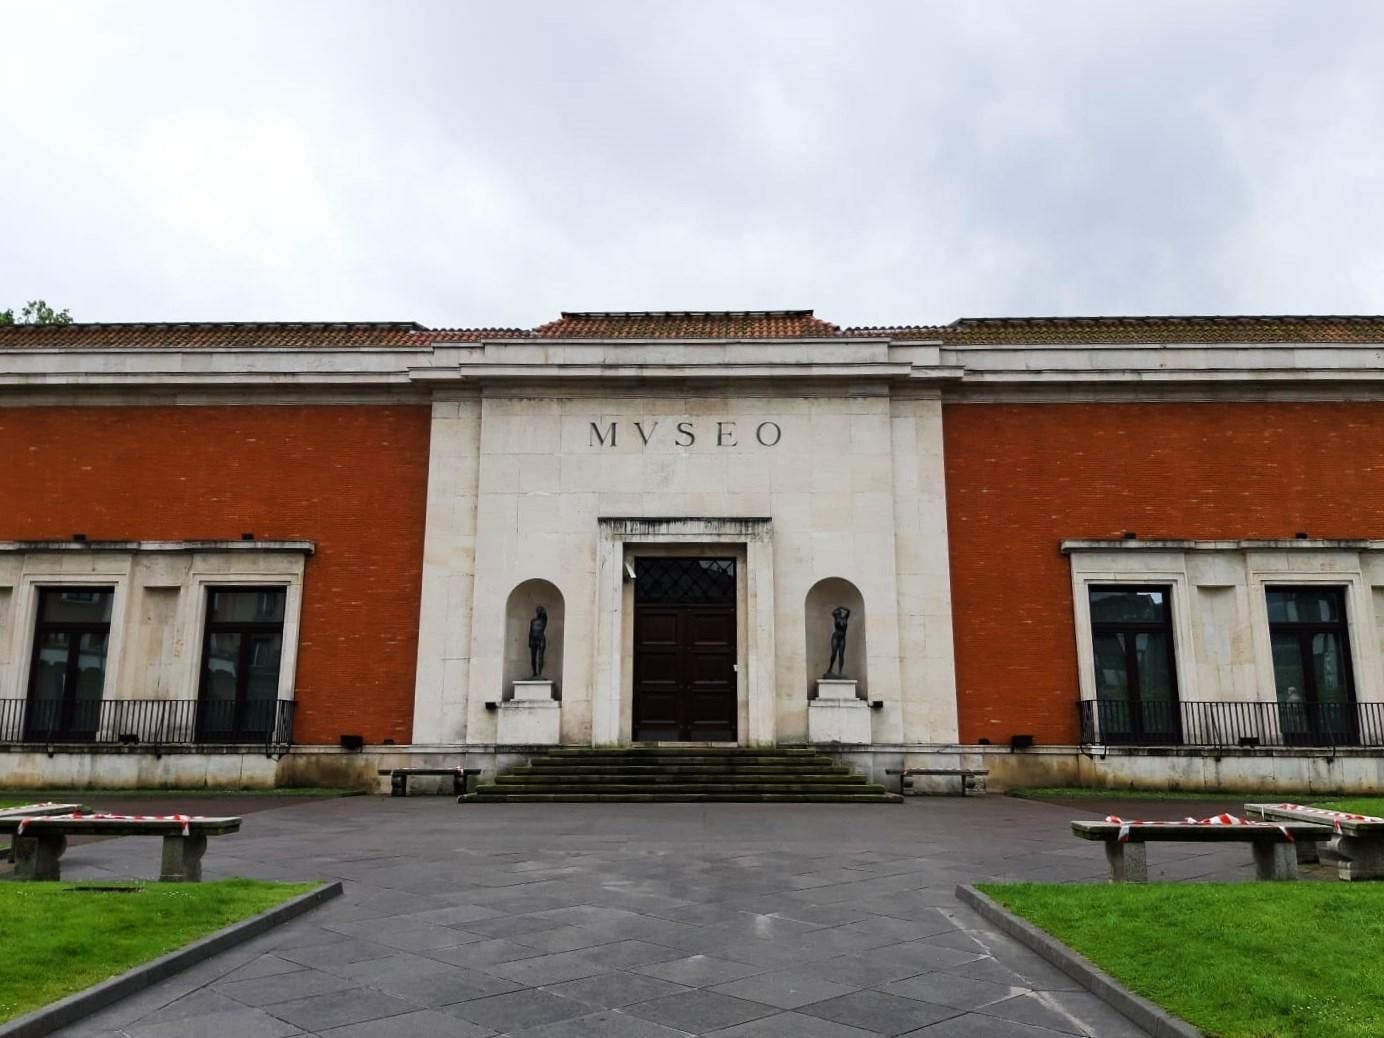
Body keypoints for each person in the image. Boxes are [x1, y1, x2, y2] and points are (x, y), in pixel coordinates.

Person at [826, 605, 851, 677]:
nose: (837, 613)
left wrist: (841, 607)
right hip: (835, 637)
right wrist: (838, 608)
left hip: (842, 638)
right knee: (834, 654)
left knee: (841, 655)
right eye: (837, 613)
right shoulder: (836, 618)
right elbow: (833, 612)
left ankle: (840, 671)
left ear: (840, 613)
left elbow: (849, 611)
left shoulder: (845, 618)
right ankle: (830, 669)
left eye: (838, 612)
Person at [528, 605, 548, 679]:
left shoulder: (544, 619)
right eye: (537, 610)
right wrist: (529, 641)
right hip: (533, 639)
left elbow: (545, 615)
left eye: (540, 610)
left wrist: (543, 610)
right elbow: (530, 631)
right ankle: (534, 673)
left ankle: (540, 673)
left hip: (541, 639)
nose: (538, 611)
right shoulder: (533, 620)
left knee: (540, 657)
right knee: (533, 657)